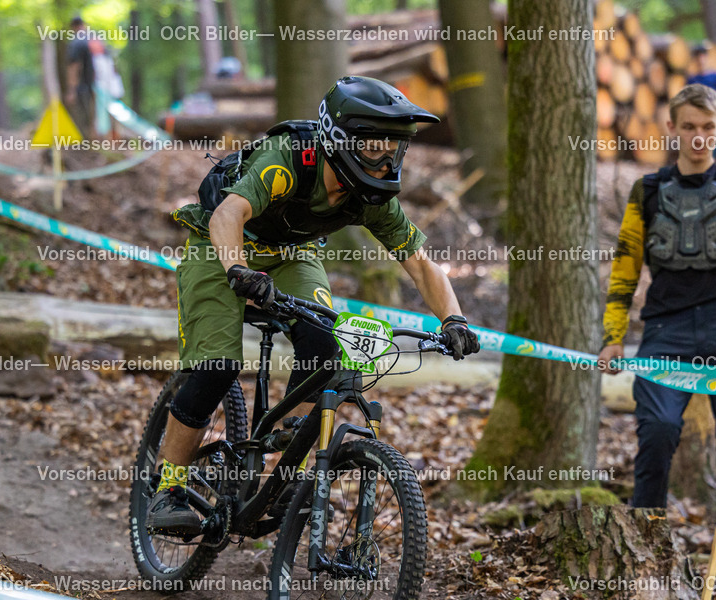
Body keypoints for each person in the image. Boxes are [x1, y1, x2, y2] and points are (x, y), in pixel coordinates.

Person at [148, 76, 481, 534]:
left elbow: (421, 265)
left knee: (326, 347)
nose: (386, 161)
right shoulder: (288, 160)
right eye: (375, 147)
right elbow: (229, 214)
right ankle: (167, 488)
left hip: (291, 254)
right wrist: (238, 271)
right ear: (341, 139)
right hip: (221, 246)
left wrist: (454, 320)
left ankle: (279, 475)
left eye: (395, 149)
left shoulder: (371, 197)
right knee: (216, 367)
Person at [598, 84, 716, 600]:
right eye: (689, 127)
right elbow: (623, 272)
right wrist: (613, 338)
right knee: (658, 434)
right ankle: (646, 573)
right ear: (671, 129)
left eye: (708, 128)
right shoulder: (646, 190)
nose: (699, 137)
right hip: (664, 329)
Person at [686, 44, 716, 161]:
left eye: (703, 57)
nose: (701, 60)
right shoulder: (692, 79)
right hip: (700, 119)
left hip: (715, 116)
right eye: (698, 58)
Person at [65, 16, 95, 138]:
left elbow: (74, 67)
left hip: (84, 88)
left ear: (73, 27)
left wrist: (71, 91)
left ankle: (86, 147)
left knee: (84, 119)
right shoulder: (96, 40)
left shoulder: (77, 42)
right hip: (103, 88)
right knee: (98, 120)